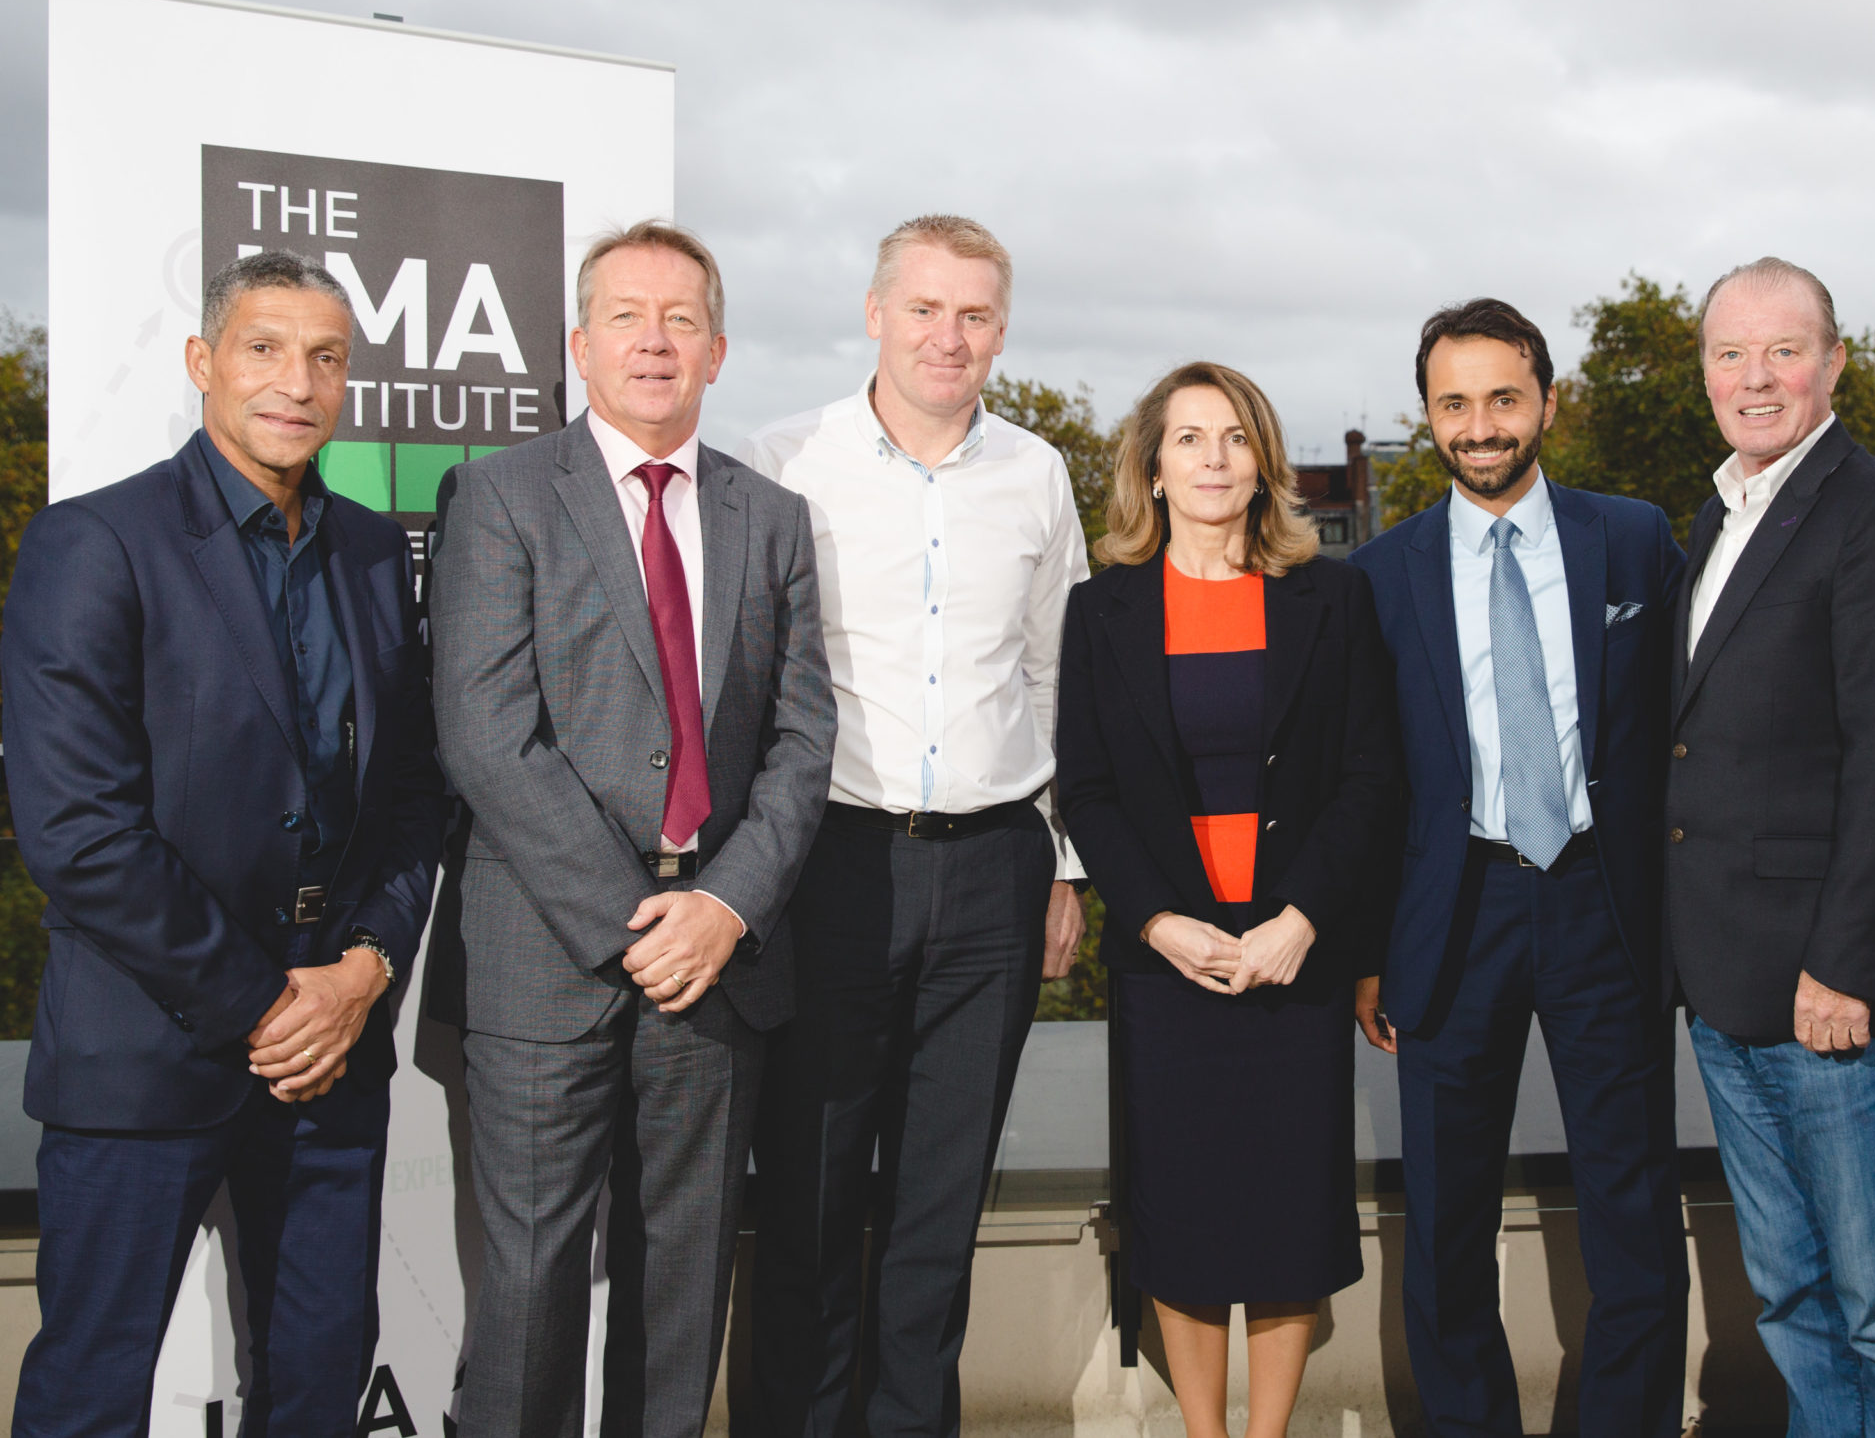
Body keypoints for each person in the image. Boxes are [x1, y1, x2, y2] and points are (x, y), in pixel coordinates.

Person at [1, 251, 443, 1434]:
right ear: (204, 364)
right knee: (91, 1394)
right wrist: (266, 1005)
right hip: (144, 1058)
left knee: (316, 1388)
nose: (295, 381)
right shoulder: (95, 544)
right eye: (264, 348)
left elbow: (411, 797)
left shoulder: (366, 554)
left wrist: (361, 974)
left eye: (326, 357)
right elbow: (79, 833)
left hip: (330, 1062)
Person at [428, 222, 835, 1437]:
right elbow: (486, 737)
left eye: (679, 321)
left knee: (680, 1290)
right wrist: (634, 925)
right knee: (529, 1290)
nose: (653, 343)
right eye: (625, 316)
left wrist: (723, 906)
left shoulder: (769, 516)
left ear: (716, 349)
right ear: (578, 344)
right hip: (547, 957)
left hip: (718, 960)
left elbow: (802, 742)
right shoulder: (499, 494)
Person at [741, 214, 1092, 1438]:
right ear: (877, 311)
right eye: (927, 309)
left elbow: (1056, 677)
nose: (951, 337)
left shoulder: (1036, 473)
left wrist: (1064, 861)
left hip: (996, 871)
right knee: (812, 1197)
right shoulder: (783, 462)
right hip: (830, 866)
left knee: (940, 1217)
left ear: (1001, 330)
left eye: (976, 314)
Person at [1350, 299, 1691, 1438]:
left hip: (1606, 903)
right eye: (1455, 403)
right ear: (1429, 417)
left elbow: (1692, 727)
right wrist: (1366, 953)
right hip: (1453, 916)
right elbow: (1367, 783)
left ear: (1546, 400)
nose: (1481, 424)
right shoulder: (1383, 574)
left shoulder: (1633, 538)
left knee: (1632, 1210)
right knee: (1444, 1224)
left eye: (1503, 397)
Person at [1054, 363, 1400, 1438]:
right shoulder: (1101, 609)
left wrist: (1300, 921)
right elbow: (1088, 787)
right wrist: (1156, 922)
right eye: (1189, 439)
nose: (1212, 460)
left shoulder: (1332, 597)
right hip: (1171, 964)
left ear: (1264, 464)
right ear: (1150, 469)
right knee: (1184, 1215)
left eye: (1234, 439)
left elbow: (1370, 775)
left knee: (1292, 1214)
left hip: (1293, 956)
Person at [1664, 257, 1875, 1435]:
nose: (1755, 377)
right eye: (1730, 354)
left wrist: (1847, 961)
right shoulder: (1719, 515)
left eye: (1782, 350)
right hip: (1730, 987)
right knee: (1790, 1297)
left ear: (1833, 363)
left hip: (1834, 996)